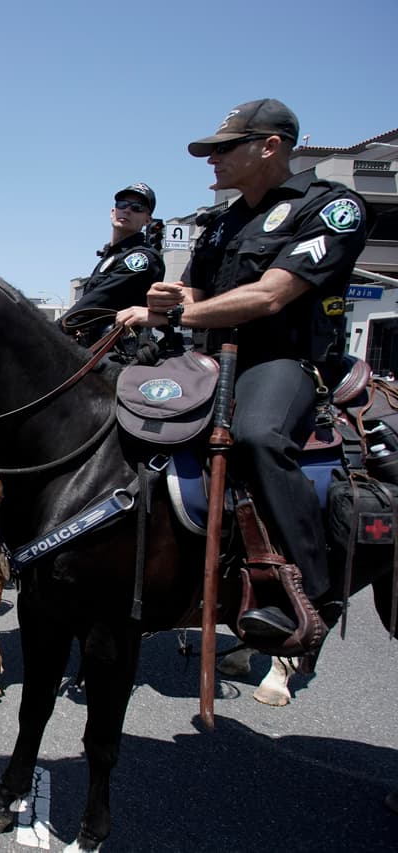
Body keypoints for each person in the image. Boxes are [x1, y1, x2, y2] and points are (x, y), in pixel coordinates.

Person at [117, 99, 368, 644]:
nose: (213, 160)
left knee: (256, 437)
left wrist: (175, 310)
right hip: (210, 355)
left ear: (270, 146)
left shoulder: (330, 207)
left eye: (224, 149)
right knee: (127, 416)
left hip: (284, 358)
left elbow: (271, 295)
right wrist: (172, 294)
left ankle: (305, 587)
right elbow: (200, 292)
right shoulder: (221, 221)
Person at [65, 183, 165, 342]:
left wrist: (53, 331)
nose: (127, 210)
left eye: (137, 207)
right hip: (92, 347)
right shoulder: (111, 257)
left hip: (116, 353)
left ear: (148, 220)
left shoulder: (141, 258)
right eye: (122, 204)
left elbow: (98, 300)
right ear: (113, 212)